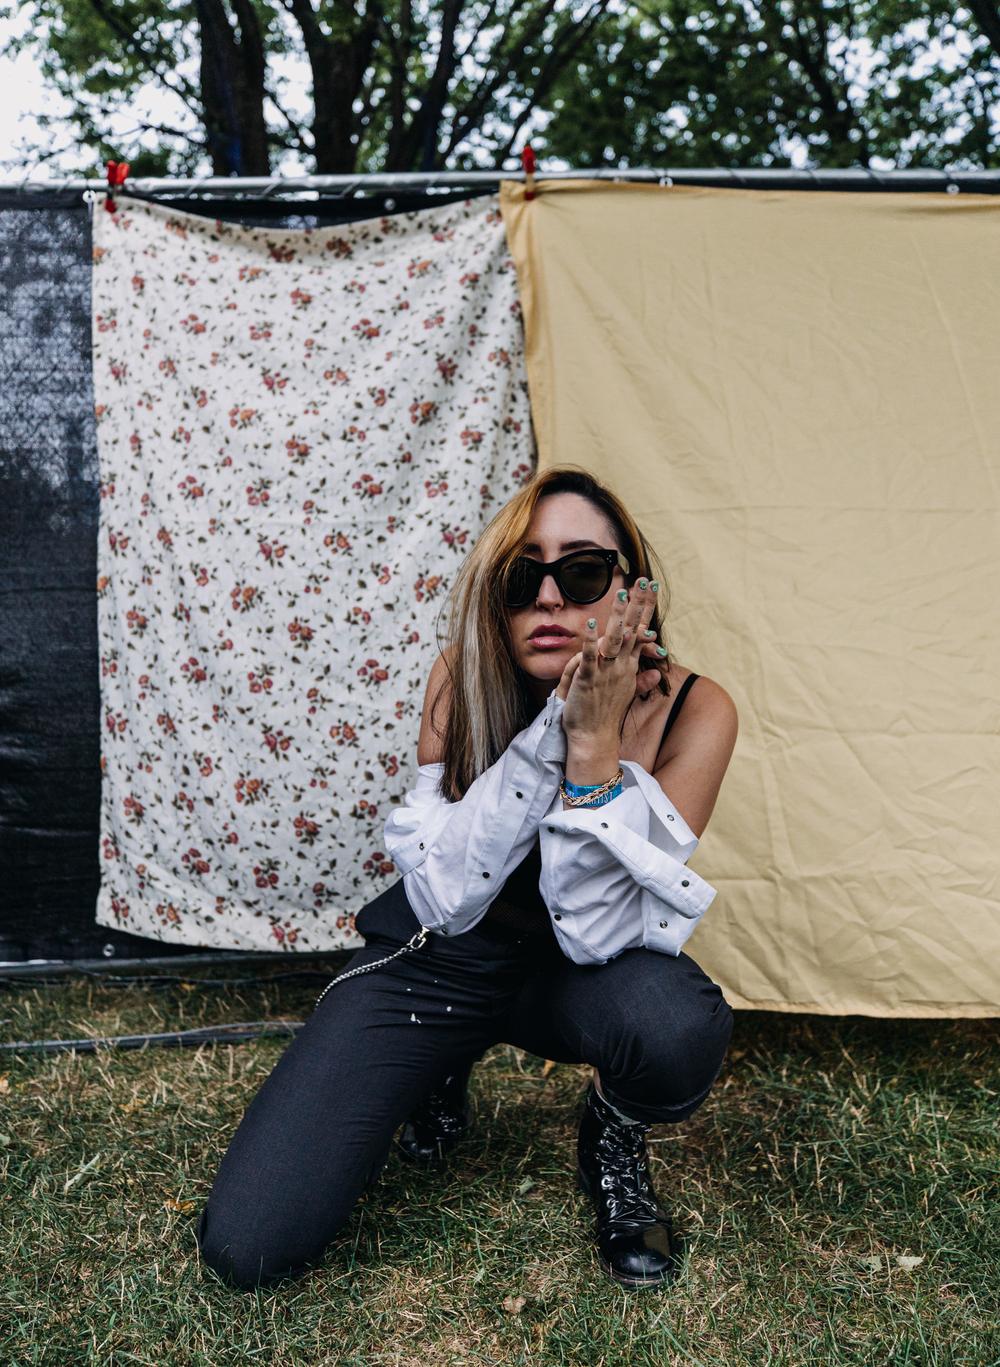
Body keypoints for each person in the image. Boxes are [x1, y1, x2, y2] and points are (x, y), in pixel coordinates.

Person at [196, 465, 739, 1293]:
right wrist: (561, 728)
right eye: (523, 577)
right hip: (439, 959)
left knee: (674, 1026)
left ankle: (612, 1131)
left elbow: (600, 932)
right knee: (250, 1243)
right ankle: (437, 1064)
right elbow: (447, 897)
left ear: (633, 589)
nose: (548, 598)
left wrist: (597, 751)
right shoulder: (462, 675)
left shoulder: (697, 710)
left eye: (581, 571)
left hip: (577, 973)